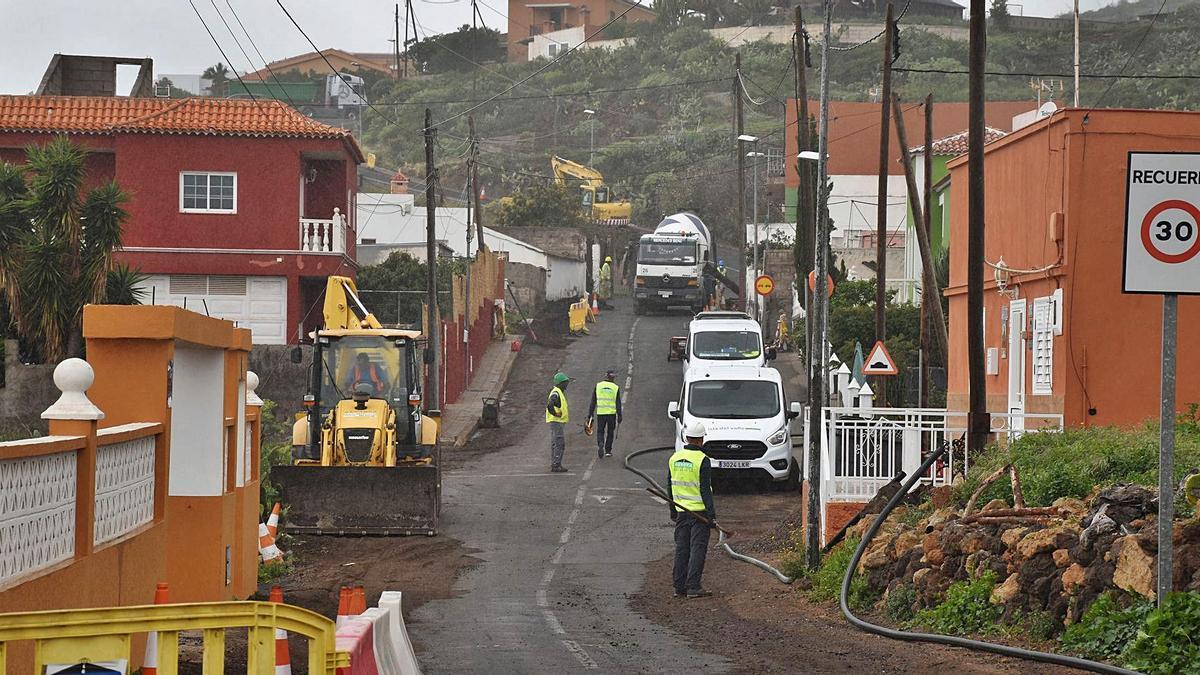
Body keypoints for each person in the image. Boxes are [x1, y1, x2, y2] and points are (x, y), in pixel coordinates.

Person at [667, 421, 717, 599]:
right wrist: (712, 516)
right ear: (701, 440)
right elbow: (705, 490)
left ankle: (679, 586)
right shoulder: (702, 460)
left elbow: (670, 487)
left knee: (682, 548)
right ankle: (693, 586)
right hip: (700, 514)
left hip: (682, 511)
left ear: (687, 438)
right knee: (698, 548)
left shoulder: (674, 458)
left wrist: (673, 510)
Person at [586, 370, 623, 458]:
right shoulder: (615, 387)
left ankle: (600, 443)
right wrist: (620, 415)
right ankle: (608, 450)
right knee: (610, 432)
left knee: (600, 431)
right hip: (611, 414)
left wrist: (590, 414)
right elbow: (618, 403)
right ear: (613, 377)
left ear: (605, 376)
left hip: (601, 413)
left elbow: (593, 402)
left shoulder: (598, 386)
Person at [546, 372, 571, 473]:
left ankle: (555, 463)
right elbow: (550, 405)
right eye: (565, 382)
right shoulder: (556, 392)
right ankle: (556, 464)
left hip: (557, 422)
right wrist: (555, 414)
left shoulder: (558, 392)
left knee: (555, 443)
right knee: (559, 443)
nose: (567, 384)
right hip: (556, 422)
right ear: (560, 383)